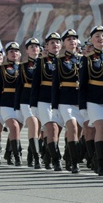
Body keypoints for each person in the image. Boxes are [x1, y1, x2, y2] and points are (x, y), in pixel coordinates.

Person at [79, 26, 103, 176]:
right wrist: (82, 105)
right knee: (100, 128)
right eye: (97, 36)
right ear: (92, 40)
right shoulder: (86, 59)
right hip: (93, 99)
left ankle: (96, 157)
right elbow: (82, 84)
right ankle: (102, 164)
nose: (101, 39)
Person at [53, 29, 84, 173]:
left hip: (80, 100)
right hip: (65, 100)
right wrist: (54, 106)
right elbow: (55, 85)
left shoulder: (84, 59)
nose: (72, 41)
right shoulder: (58, 61)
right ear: (64, 43)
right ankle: (74, 161)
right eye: (69, 39)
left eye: (74, 39)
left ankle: (68, 155)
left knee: (80, 131)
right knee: (72, 127)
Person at [31, 33, 64, 171]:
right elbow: (35, 84)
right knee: (52, 128)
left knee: (57, 131)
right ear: (47, 46)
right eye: (52, 43)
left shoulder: (65, 60)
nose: (55, 45)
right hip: (45, 99)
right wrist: (33, 105)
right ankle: (57, 159)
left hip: (61, 100)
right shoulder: (41, 62)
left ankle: (46, 154)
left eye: (57, 42)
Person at [16, 38, 42, 169]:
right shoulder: (23, 66)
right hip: (26, 99)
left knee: (40, 128)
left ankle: (31, 154)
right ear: (27, 50)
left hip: (41, 99)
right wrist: (16, 106)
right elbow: (19, 86)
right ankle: (37, 157)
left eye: (36, 46)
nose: (34, 48)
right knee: (33, 124)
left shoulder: (45, 63)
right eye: (31, 46)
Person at [0, 42, 24, 166]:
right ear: (7, 54)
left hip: (20, 103)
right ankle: (17, 155)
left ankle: (8, 153)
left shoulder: (23, 67)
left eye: (16, 51)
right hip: (6, 102)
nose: (14, 53)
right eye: (11, 51)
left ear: (20, 54)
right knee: (13, 127)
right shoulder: (2, 68)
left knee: (16, 130)